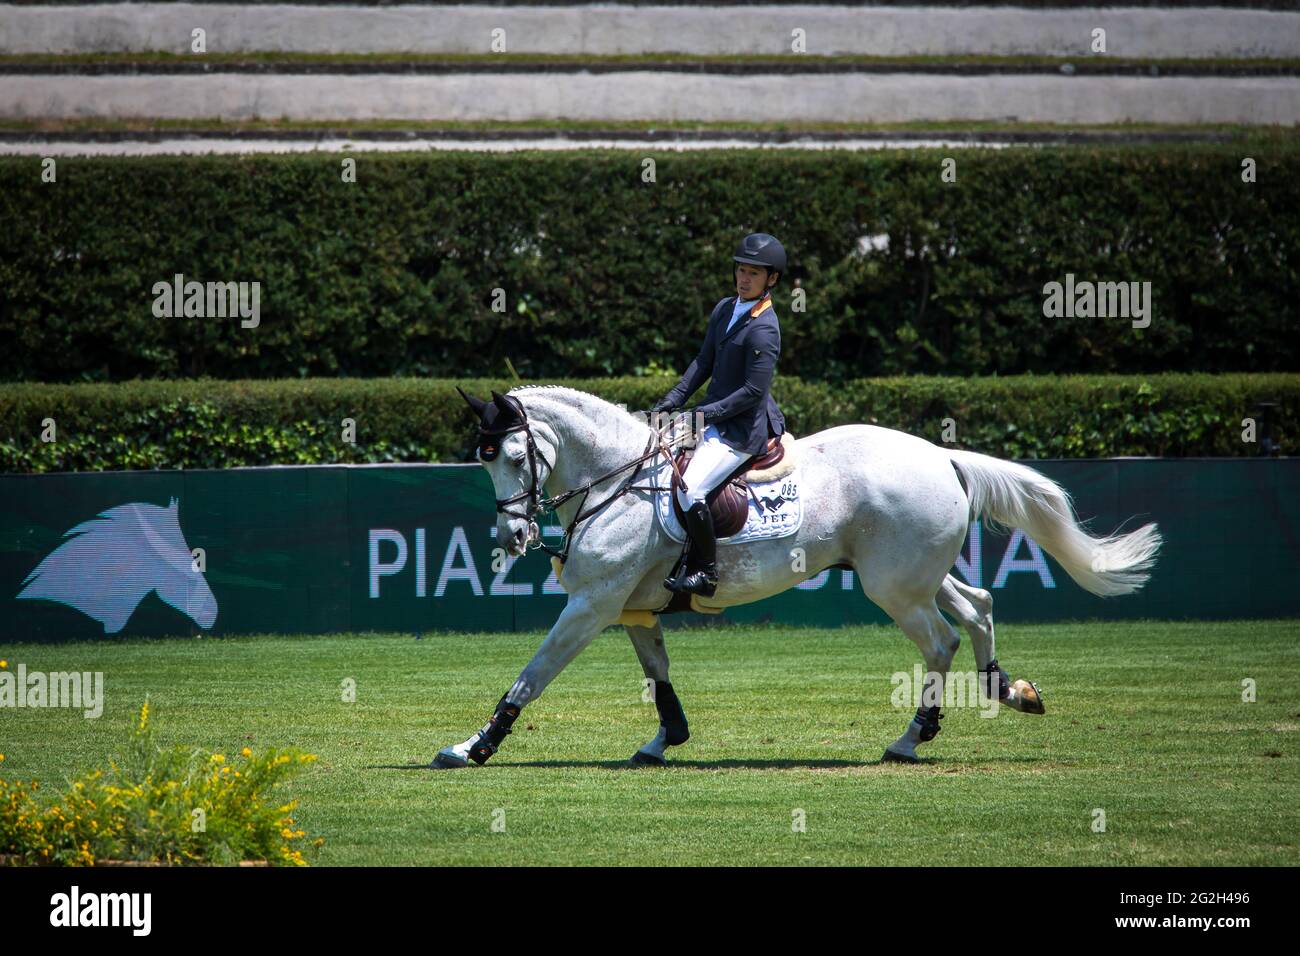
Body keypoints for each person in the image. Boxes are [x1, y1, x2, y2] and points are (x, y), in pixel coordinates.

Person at [651, 232, 788, 597]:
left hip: (742, 431)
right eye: (741, 271)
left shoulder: (765, 328)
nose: (744, 279)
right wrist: (673, 398)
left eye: (753, 274)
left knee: (690, 489)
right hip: (716, 419)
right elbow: (704, 361)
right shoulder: (725, 308)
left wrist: (702, 414)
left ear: (771, 279)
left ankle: (706, 572)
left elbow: (753, 392)